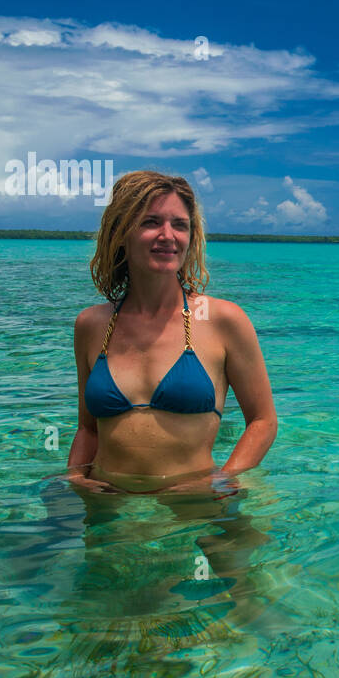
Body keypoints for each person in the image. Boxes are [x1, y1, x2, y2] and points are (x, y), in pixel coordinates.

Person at [64, 170, 277, 496]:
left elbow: (263, 422)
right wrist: (76, 480)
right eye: (151, 222)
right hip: (107, 502)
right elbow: (88, 430)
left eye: (179, 225)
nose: (168, 235)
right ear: (121, 233)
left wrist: (223, 480)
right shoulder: (92, 325)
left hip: (193, 501)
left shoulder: (222, 320)